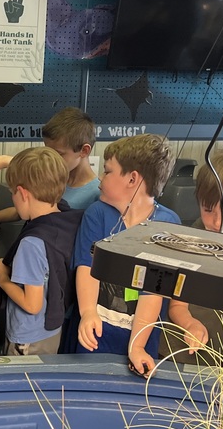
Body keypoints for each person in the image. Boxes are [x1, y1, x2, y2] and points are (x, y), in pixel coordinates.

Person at [70, 134, 180, 362]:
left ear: (132, 179)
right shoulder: (97, 213)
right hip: (95, 330)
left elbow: (154, 292)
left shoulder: (168, 226)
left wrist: (137, 346)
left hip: (142, 335)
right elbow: (86, 267)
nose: (101, 177)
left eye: (108, 171)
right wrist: (88, 312)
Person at [160, 150, 223, 365]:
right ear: (198, 199)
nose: (217, 222)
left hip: (221, 353)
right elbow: (177, 307)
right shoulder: (188, 245)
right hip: (180, 352)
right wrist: (191, 325)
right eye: (208, 209)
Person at [0, 147, 84, 355]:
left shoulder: (32, 244)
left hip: (27, 337)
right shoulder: (66, 215)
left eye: (12, 193)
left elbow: (32, 304)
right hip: (53, 329)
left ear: (23, 194)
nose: (13, 199)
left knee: (22, 386)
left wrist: (2, 277)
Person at [0, 107, 100, 227]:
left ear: (84, 151)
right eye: (47, 150)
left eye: (58, 153)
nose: (50, 158)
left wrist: (6, 160)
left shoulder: (97, 194)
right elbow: (28, 208)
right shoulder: (51, 176)